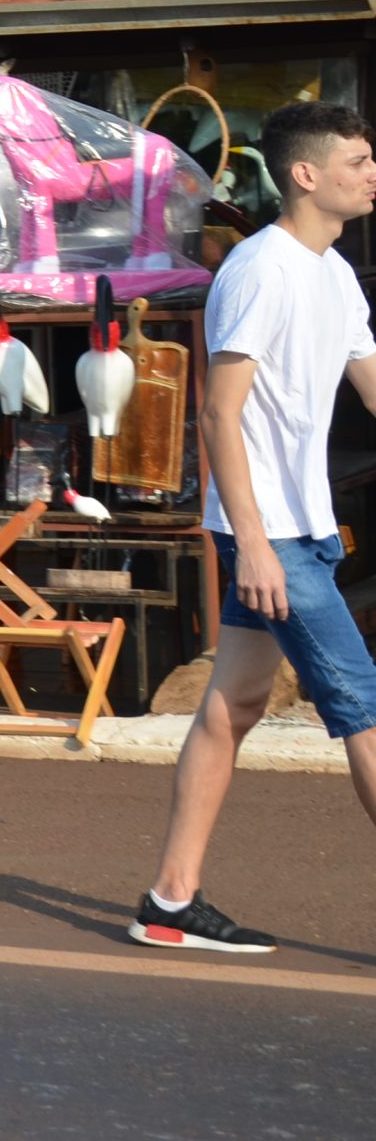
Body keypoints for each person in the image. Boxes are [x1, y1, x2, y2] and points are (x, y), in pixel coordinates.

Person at [135, 101, 376, 955]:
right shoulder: (260, 270)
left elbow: (372, 387)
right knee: (363, 705)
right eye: (356, 160)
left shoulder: (334, 274)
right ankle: (168, 899)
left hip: (305, 527)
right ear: (306, 175)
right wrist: (254, 543)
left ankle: (169, 900)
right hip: (268, 532)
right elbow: (216, 416)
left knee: (232, 707)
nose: (371, 172)